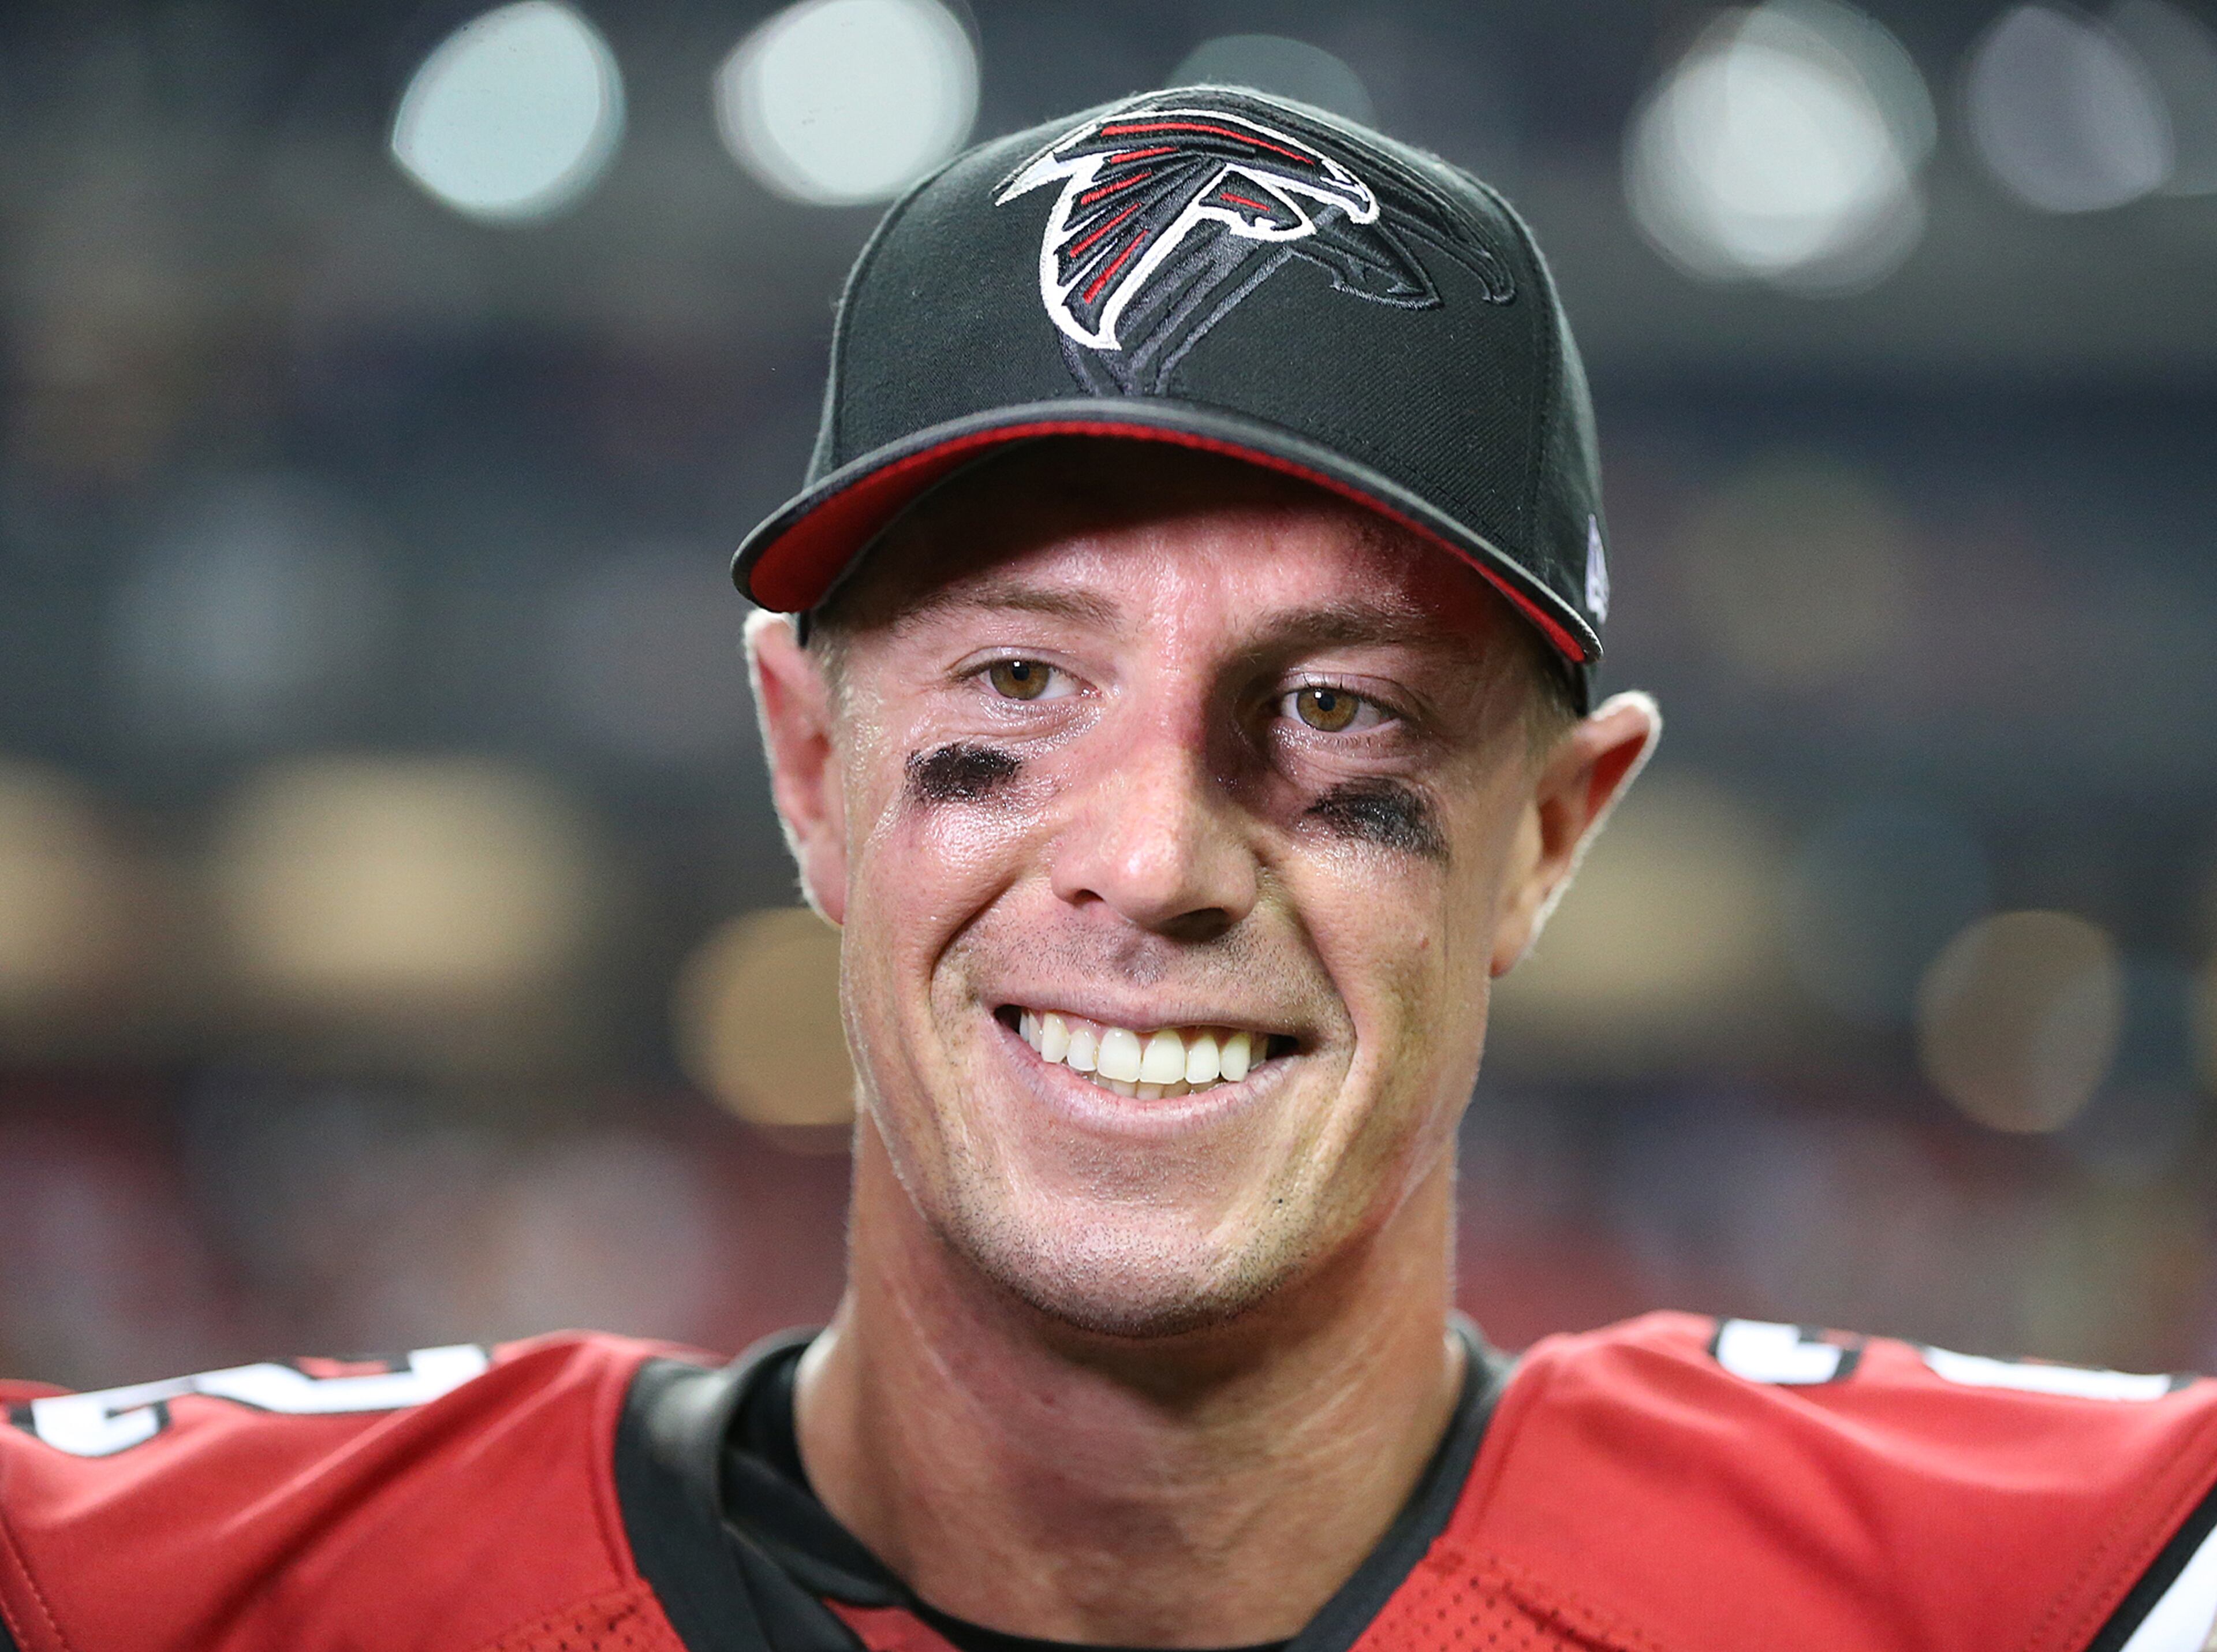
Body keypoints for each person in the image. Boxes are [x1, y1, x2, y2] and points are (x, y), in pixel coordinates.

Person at [2, 85, 2214, 1652]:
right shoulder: (151, 1582)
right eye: (1018, 689)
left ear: (1551, 839)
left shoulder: (2048, 1586)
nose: (1154, 858)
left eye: (1338, 706)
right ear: (806, 759)